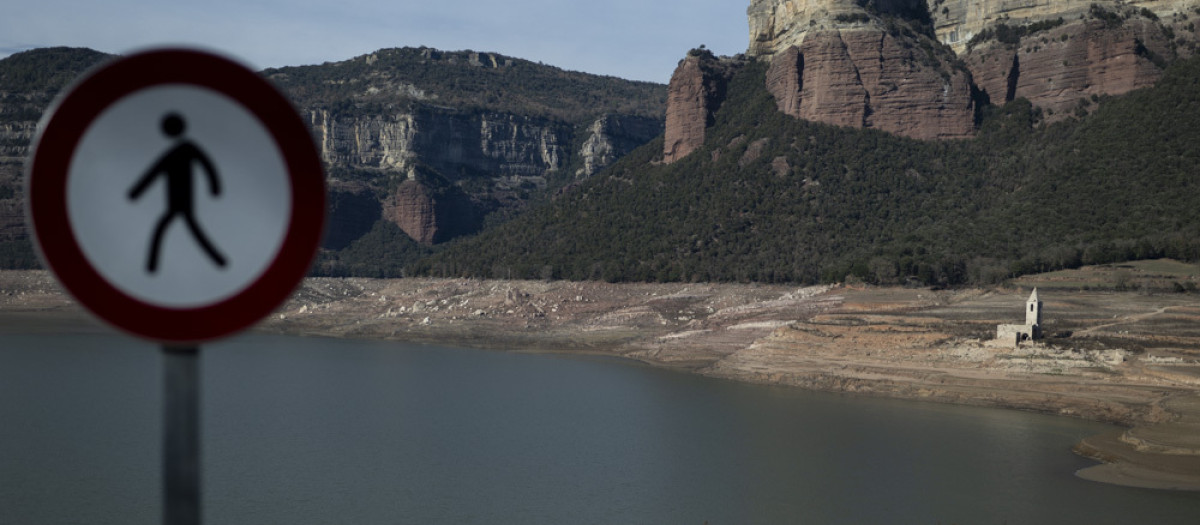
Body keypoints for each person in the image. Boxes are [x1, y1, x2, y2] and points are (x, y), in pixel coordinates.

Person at [128, 113, 228, 273]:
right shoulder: (175, 153)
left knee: (173, 227)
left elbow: (207, 165)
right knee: (178, 227)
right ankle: (219, 261)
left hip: (183, 200)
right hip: (175, 200)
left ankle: (152, 266)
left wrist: (215, 187)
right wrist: (135, 192)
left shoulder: (186, 149)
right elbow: (154, 172)